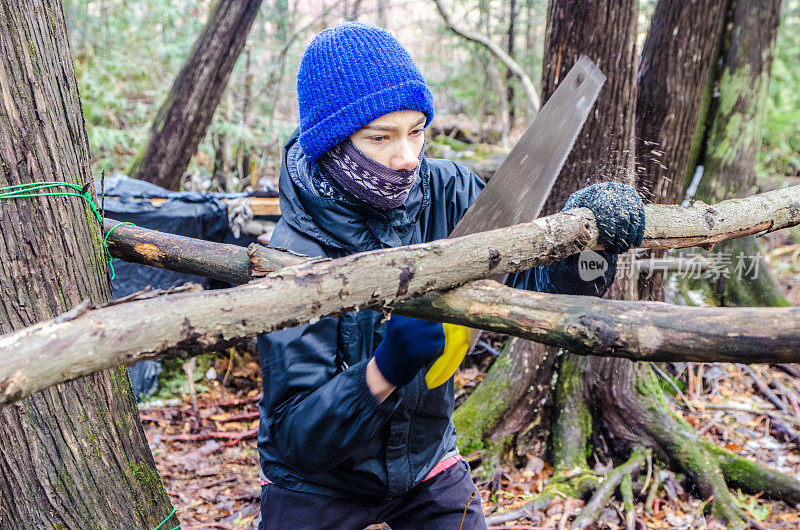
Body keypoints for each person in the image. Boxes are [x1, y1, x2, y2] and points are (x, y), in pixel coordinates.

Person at [256, 22, 645, 530]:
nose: (407, 157)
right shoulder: (295, 253)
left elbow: (533, 285)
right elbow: (297, 438)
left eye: (417, 131)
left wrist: (589, 250)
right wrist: (383, 372)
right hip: (317, 481)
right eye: (381, 137)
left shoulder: (450, 192)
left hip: (425, 463)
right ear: (331, 143)